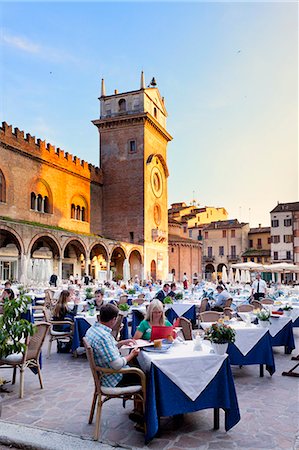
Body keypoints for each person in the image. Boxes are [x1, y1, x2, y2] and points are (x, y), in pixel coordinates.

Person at [85, 304, 144, 425]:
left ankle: (138, 410)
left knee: (138, 368)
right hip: (113, 378)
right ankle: (142, 415)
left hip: (103, 375)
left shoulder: (93, 330)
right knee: (145, 374)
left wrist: (121, 342)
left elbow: (107, 350)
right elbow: (117, 364)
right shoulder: (104, 337)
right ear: (113, 319)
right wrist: (132, 354)